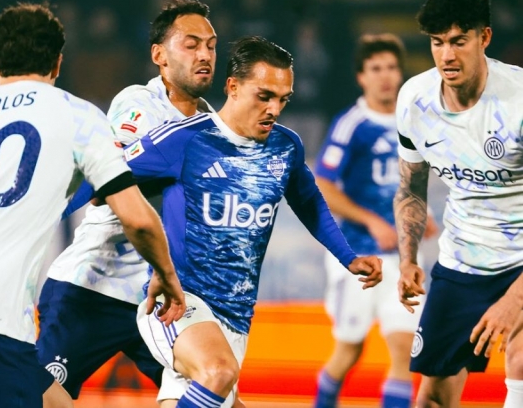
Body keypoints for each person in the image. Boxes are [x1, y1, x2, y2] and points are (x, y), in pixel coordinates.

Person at [0, 0, 227, 408]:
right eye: (192, 44)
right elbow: (132, 213)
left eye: (211, 46)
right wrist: (167, 273)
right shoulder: (78, 117)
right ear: (58, 64)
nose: (205, 54)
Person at [123, 36, 384, 408]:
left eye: (283, 99)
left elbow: (308, 202)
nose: (274, 109)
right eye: (264, 96)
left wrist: (349, 257)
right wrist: (155, 259)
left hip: (237, 317)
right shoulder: (186, 139)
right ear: (232, 87)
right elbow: (104, 180)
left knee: (208, 386)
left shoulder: (285, 147)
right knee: (217, 372)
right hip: (179, 302)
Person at [393, 0, 523, 407]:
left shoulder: (518, 102)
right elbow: (411, 188)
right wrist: (409, 258)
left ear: (484, 38)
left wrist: (513, 301)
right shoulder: (414, 101)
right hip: (463, 260)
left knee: (521, 366)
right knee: (432, 399)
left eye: (458, 41)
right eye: (437, 43)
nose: (447, 55)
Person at [313, 34, 438, 408]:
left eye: (391, 68)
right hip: (359, 257)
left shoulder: (414, 120)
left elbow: (413, 178)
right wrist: (372, 221)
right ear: (361, 77)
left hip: (403, 258)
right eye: (376, 68)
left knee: (404, 349)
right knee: (348, 351)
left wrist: (424, 214)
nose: (385, 76)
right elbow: (323, 186)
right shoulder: (352, 124)